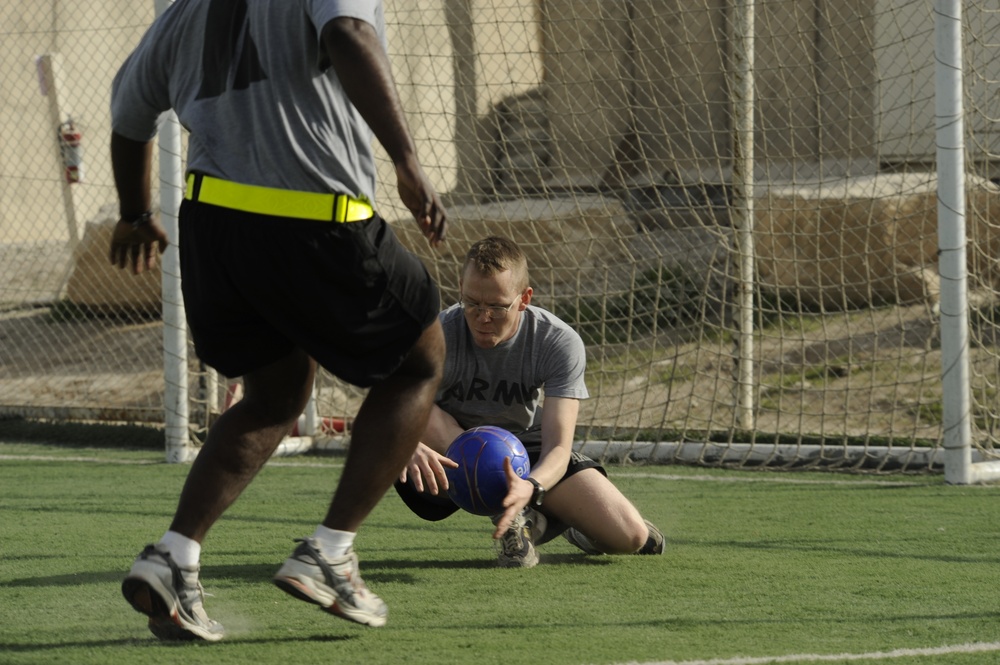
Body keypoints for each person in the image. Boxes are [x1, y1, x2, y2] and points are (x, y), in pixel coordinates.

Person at [108, 0, 446, 642]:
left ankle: (173, 557)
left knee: (275, 395)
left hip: (214, 229)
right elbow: (348, 32)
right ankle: (330, 552)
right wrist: (407, 159)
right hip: (314, 219)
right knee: (421, 359)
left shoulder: (185, 12)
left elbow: (129, 116)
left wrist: (132, 212)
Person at [394, 236, 664, 568]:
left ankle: (548, 521)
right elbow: (390, 403)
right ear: (460, 288)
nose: (483, 317)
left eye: (497, 306)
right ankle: (520, 514)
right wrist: (404, 442)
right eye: (472, 303)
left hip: (523, 444)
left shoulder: (557, 341)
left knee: (631, 537)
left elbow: (558, 447)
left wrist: (532, 485)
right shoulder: (434, 334)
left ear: (524, 299)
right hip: (444, 457)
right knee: (420, 412)